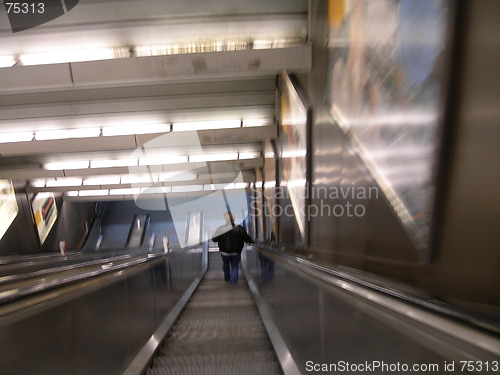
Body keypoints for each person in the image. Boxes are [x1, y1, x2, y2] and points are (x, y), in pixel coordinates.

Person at [212, 212, 253, 283]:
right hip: (236, 252)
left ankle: (227, 277)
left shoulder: (221, 229)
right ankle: (233, 280)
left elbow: (214, 239)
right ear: (233, 219)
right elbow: (246, 238)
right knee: (235, 265)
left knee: (225, 264)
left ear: (225, 219)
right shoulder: (240, 228)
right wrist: (251, 242)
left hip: (224, 252)